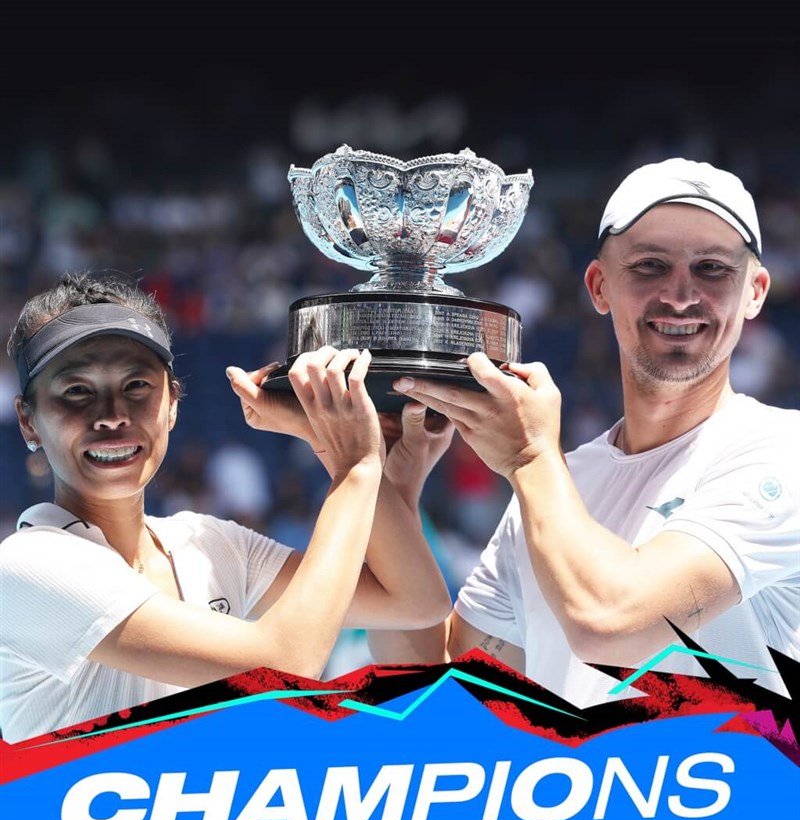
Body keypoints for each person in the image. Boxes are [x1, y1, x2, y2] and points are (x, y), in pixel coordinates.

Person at [370, 158, 799, 708]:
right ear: (599, 286)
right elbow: (438, 687)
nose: (681, 294)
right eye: (649, 266)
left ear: (755, 292)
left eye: (713, 269)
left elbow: (613, 626)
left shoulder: (785, 453)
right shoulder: (558, 485)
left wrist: (528, 459)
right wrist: (382, 482)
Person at [0, 273, 451, 743]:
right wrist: (354, 464)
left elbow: (415, 601)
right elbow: (286, 666)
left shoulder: (208, 543)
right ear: (29, 422)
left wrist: (372, 468)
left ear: (172, 404)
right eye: (77, 391)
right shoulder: (28, 564)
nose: (112, 414)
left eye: (137, 385)